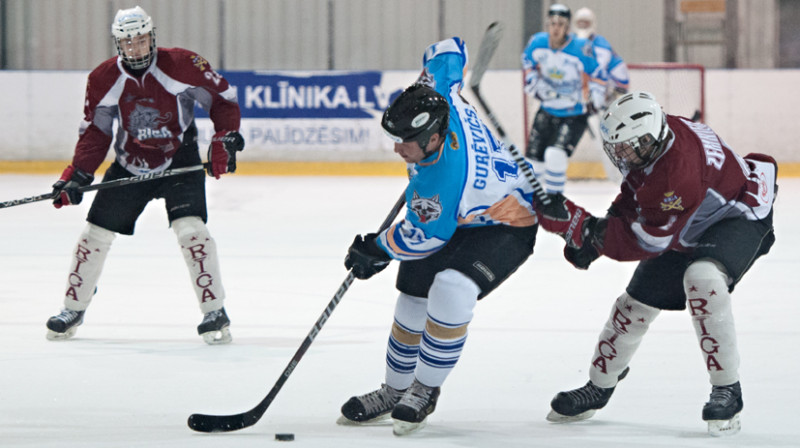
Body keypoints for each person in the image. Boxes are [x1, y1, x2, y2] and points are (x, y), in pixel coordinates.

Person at [536, 91, 777, 436]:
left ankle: (728, 389)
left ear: (650, 139)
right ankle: (599, 386)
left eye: (627, 148)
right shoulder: (657, 143)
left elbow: (650, 240)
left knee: (703, 278)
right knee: (632, 306)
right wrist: (599, 234)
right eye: (616, 147)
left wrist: (589, 232)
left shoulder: (675, 174)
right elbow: (637, 196)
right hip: (693, 218)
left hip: (739, 214)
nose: (621, 155)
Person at [337, 37, 540, 436]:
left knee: (450, 288)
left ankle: (424, 389)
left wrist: (376, 250)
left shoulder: (444, 179)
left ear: (432, 138)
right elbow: (449, 49)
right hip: (461, 215)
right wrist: (428, 78)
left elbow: (425, 237)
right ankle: (394, 391)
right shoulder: (443, 96)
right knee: (412, 297)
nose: (397, 149)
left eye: (406, 142)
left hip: (506, 224)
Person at [45, 5, 244, 345]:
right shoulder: (103, 79)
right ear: (118, 45)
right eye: (128, 43)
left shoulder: (182, 65)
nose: (136, 48)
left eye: (141, 40)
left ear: (152, 37)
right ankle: (72, 308)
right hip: (130, 162)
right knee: (94, 235)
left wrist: (224, 139)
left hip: (179, 162)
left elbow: (223, 100)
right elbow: (96, 131)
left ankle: (214, 311)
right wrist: (77, 173)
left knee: (191, 231)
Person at [521, 3, 606, 193]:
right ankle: (528, 203)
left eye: (561, 24)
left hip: (574, 114)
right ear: (547, 25)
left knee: (555, 156)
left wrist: (595, 96)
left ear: (568, 27)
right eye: (552, 23)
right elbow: (527, 63)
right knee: (532, 163)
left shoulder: (582, 48)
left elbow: (598, 75)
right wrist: (534, 82)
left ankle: (554, 201)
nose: (556, 28)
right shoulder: (537, 43)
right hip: (547, 110)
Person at [573, 7, 629, 107]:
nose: (582, 26)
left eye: (586, 23)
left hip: (609, 87)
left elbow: (597, 72)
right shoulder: (571, 41)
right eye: (580, 23)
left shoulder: (601, 45)